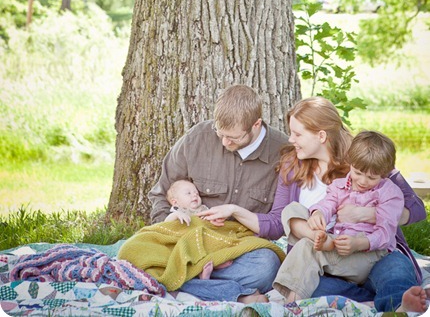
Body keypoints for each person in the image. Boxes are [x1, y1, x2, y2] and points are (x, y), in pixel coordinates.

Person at [199, 96, 427, 312]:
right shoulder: (293, 165)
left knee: (395, 271)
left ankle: (397, 306)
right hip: (327, 260)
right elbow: (279, 222)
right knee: (306, 285)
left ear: (320, 136)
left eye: (297, 134)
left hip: (375, 251)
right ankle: (373, 300)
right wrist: (235, 211)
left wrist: (365, 214)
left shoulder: (364, 161)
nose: (290, 139)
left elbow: (416, 210)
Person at [148, 83, 289, 302]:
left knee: (267, 266)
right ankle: (237, 295)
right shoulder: (197, 138)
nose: (225, 142)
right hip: (188, 243)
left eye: (233, 137)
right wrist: (171, 227)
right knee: (136, 251)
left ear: (256, 124)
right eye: (220, 133)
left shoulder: (282, 152)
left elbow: (277, 223)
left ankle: (175, 284)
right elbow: (162, 193)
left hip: (240, 250)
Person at [272, 130, 405, 302]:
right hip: (339, 246)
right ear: (350, 162)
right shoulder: (339, 186)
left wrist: (358, 243)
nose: (363, 181)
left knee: (306, 248)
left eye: (371, 177)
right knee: (291, 209)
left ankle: (292, 303)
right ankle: (316, 235)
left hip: (367, 255)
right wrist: (318, 214)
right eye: (358, 173)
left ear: (385, 173)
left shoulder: (390, 193)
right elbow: (328, 204)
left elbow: (386, 233)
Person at [164, 178, 233, 279]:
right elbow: (166, 224)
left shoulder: (203, 209)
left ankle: (213, 265)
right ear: (175, 202)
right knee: (190, 251)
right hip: (187, 240)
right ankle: (201, 272)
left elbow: (211, 222)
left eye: (196, 193)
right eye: (188, 193)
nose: (194, 195)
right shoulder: (178, 210)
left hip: (204, 238)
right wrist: (176, 216)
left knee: (215, 243)